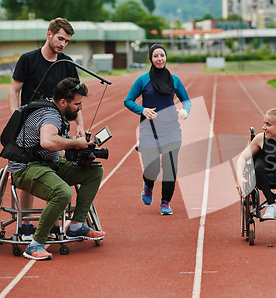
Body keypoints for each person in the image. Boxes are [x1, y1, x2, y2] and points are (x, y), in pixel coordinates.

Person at [8, 77, 105, 260]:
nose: (80, 109)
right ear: (63, 102)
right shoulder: (50, 115)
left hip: (47, 163)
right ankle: (35, 244)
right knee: (63, 193)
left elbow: (51, 146)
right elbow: (47, 141)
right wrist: (76, 143)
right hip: (26, 168)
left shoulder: (54, 108)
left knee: (94, 171)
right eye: (77, 104)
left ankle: (76, 226)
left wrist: (77, 150)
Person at [8, 18, 84, 235]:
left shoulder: (67, 64)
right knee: (27, 168)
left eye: (67, 41)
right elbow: (14, 91)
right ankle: (25, 224)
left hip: (57, 127)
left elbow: (76, 100)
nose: (63, 44)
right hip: (29, 128)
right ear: (49, 34)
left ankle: (54, 223)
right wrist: (16, 120)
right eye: (60, 38)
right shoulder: (28, 60)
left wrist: (80, 125)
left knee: (55, 168)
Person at [124, 44, 191, 215]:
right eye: (155, 56)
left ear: (166, 57)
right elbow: (128, 100)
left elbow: (187, 100)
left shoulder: (175, 79)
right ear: (151, 59)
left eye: (162, 55)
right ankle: (148, 185)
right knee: (152, 169)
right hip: (149, 129)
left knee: (170, 168)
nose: (159, 58)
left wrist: (185, 111)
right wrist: (142, 110)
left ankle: (165, 202)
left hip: (171, 129)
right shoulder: (142, 80)